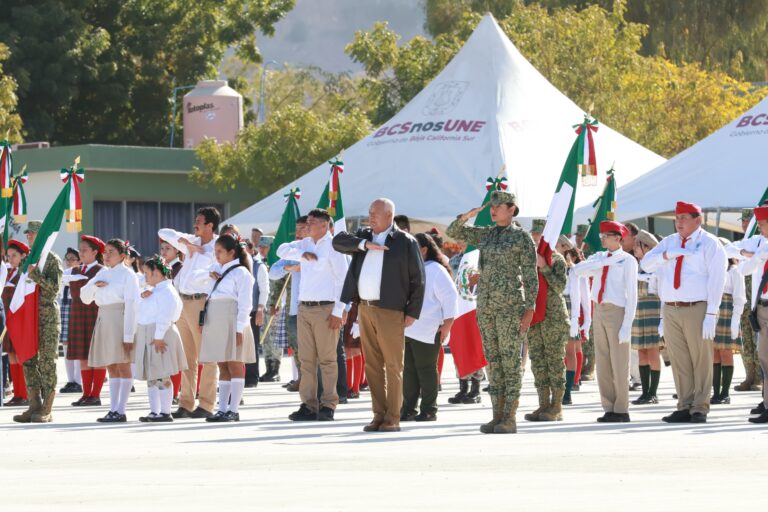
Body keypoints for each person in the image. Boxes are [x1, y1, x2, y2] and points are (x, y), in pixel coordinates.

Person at [446, 191, 538, 434]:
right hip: (486, 307)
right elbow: (453, 232)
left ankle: (509, 417)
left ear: (512, 209)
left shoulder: (521, 238)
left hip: (510, 308)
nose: (493, 210)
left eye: (498, 206)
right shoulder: (486, 235)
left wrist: (530, 309)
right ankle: (497, 416)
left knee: (510, 362)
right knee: (494, 363)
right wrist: (469, 215)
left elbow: (531, 276)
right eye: (492, 206)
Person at [333, 199, 424, 432]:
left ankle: (393, 417)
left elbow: (418, 279)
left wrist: (412, 311)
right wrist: (364, 244)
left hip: (391, 310)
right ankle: (378, 415)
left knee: (393, 365)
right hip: (364, 308)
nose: (371, 217)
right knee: (372, 366)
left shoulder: (405, 241)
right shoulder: (363, 236)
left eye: (375, 213)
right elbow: (338, 241)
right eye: (370, 213)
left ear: (389, 215)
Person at [641, 201, 727, 424]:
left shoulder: (710, 243)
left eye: (683, 218)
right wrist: (668, 255)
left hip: (697, 307)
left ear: (697, 220)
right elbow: (646, 264)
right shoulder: (669, 242)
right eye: (677, 218)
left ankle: (700, 407)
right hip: (671, 308)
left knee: (701, 359)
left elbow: (718, 280)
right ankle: (684, 404)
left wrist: (711, 314)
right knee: (679, 361)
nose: (679, 222)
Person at [278, 208, 350, 422]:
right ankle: (309, 404)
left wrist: (339, 310)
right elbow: (281, 249)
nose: (306, 227)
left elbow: (343, 281)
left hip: (326, 308)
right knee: (306, 360)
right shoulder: (305, 244)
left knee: (328, 360)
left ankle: (328, 404)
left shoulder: (334, 246)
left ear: (324, 225)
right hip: (304, 308)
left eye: (311, 223)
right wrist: (301, 254)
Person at [158, 207, 220, 419]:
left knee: (207, 356)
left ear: (210, 225)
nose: (196, 224)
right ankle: (186, 403)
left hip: (201, 302)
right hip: (182, 302)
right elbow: (163, 231)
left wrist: (199, 251)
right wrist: (186, 244)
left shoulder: (217, 246)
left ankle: (206, 403)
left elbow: (214, 272)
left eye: (199, 221)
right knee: (187, 358)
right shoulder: (190, 240)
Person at [574, 221, 638, 422]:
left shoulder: (627, 260)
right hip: (599, 310)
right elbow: (578, 270)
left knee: (619, 362)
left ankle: (621, 409)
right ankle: (609, 406)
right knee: (603, 362)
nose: (602, 239)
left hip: (618, 310)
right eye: (602, 236)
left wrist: (628, 324)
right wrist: (603, 263)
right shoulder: (600, 258)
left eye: (606, 236)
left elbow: (633, 294)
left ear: (617, 238)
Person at [400, 233, 458, 422]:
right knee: (408, 370)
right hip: (407, 327)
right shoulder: (410, 268)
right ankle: (408, 408)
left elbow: (451, 298)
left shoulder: (435, 269)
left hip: (428, 328)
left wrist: (447, 326)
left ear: (424, 250)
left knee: (425, 369)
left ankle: (429, 409)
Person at [81, 239, 140, 423]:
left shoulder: (128, 275)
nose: (106, 255)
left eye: (111, 252)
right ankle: (113, 408)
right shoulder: (102, 273)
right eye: (105, 252)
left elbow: (132, 305)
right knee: (111, 366)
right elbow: (84, 298)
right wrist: (93, 285)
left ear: (122, 256)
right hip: (104, 318)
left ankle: (120, 410)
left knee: (123, 364)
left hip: (119, 318)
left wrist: (129, 334)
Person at [199, 234, 255, 423]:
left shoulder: (242, 273)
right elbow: (195, 280)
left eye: (220, 252)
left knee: (235, 363)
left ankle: (233, 409)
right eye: (215, 252)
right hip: (216, 318)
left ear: (232, 252)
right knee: (222, 364)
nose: (217, 256)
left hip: (232, 319)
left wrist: (240, 329)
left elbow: (246, 304)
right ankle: (222, 408)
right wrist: (209, 276)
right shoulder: (215, 270)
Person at [13, 221, 63, 424]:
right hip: (30, 317)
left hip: (47, 317)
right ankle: (33, 405)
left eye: (32, 234)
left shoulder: (52, 259)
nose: (29, 237)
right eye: (28, 234)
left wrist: (37, 275)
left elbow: (54, 289)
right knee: (29, 360)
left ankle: (47, 408)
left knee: (47, 361)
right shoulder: (29, 259)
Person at [134, 256, 187, 423]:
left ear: (157, 273)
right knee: (152, 374)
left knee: (162, 373)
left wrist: (158, 338)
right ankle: (154, 411)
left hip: (160, 334)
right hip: (148, 332)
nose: (145, 278)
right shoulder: (155, 289)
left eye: (147, 273)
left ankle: (165, 412)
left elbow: (165, 317)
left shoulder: (167, 292)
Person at [525, 232, 570, 422]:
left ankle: (557, 406)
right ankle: (543, 404)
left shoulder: (557, 259)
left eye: (538, 236)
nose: (535, 240)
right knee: (538, 363)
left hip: (553, 318)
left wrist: (544, 267)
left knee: (554, 362)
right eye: (532, 237)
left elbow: (560, 286)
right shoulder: (526, 260)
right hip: (535, 318)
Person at [67, 236, 107, 408]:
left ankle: (95, 394)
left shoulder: (101, 270)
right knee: (83, 356)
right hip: (77, 313)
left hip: (94, 313)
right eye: (80, 249)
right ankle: (86, 393)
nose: (81, 253)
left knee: (97, 355)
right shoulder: (75, 271)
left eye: (85, 250)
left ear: (94, 252)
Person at [269, 216, 308, 391]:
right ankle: (302, 378)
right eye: (297, 228)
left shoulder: (316, 248)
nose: (298, 232)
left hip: (314, 306)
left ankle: (313, 383)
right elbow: (273, 272)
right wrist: (288, 268)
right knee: (296, 345)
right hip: (293, 307)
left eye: (302, 228)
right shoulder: (291, 250)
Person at [728, 208, 763, 392]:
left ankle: (759, 377)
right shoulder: (746, 244)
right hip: (743, 300)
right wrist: (742, 252)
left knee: (759, 341)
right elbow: (728, 249)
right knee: (745, 339)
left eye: (748, 221)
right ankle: (749, 375)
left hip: (756, 299)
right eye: (743, 221)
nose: (744, 224)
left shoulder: (759, 243)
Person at [739, 205, 768, 423]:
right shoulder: (762, 244)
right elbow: (744, 270)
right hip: (763, 306)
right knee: (764, 359)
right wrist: (756, 256)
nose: (761, 229)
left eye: (764, 224)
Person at [710, 239, 746, 405]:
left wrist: (735, 320)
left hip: (727, 311)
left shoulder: (734, 271)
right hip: (714, 310)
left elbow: (739, 297)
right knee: (714, 353)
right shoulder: (713, 269)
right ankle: (716, 392)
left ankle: (725, 393)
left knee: (725, 352)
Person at [631, 230, 664, 405]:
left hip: (653, 311)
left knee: (652, 352)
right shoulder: (635, 265)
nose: (635, 248)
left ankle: (653, 392)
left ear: (647, 247)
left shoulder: (658, 266)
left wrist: (663, 320)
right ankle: (645, 392)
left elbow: (663, 292)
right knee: (641, 352)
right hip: (639, 311)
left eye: (638, 245)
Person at [558, 236, 591, 406]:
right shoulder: (549, 266)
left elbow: (582, 296)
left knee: (570, 350)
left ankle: (568, 390)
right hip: (553, 306)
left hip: (569, 307)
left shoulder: (574, 270)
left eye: (557, 245)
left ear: (564, 247)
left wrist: (583, 320)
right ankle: (557, 390)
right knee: (555, 353)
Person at [3, 240, 26, 406]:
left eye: (14, 255)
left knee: (20, 356)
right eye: (9, 255)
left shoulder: (25, 273)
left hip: (20, 319)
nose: (11, 259)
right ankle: (17, 393)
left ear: (23, 256)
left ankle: (24, 393)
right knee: (11, 355)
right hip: (7, 319)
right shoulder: (7, 272)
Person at [244, 239, 268, 387]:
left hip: (253, 311)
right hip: (238, 311)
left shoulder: (259, 266)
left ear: (252, 251)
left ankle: (252, 377)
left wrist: (260, 309)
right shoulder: (236, 265)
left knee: (251, 345)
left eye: (245, 249)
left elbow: (264, 289)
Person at [59, 247, 83, 394]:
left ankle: (78, 380)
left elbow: (68, 282)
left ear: (79, 260)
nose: (68, 262)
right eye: (67, 259)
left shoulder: (81, 272)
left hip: (77, 306)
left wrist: (67, 279)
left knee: (77, 345)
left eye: (72, 259)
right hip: (65, 306)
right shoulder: (65, 273)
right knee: (66, 344)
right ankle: (71, 380)